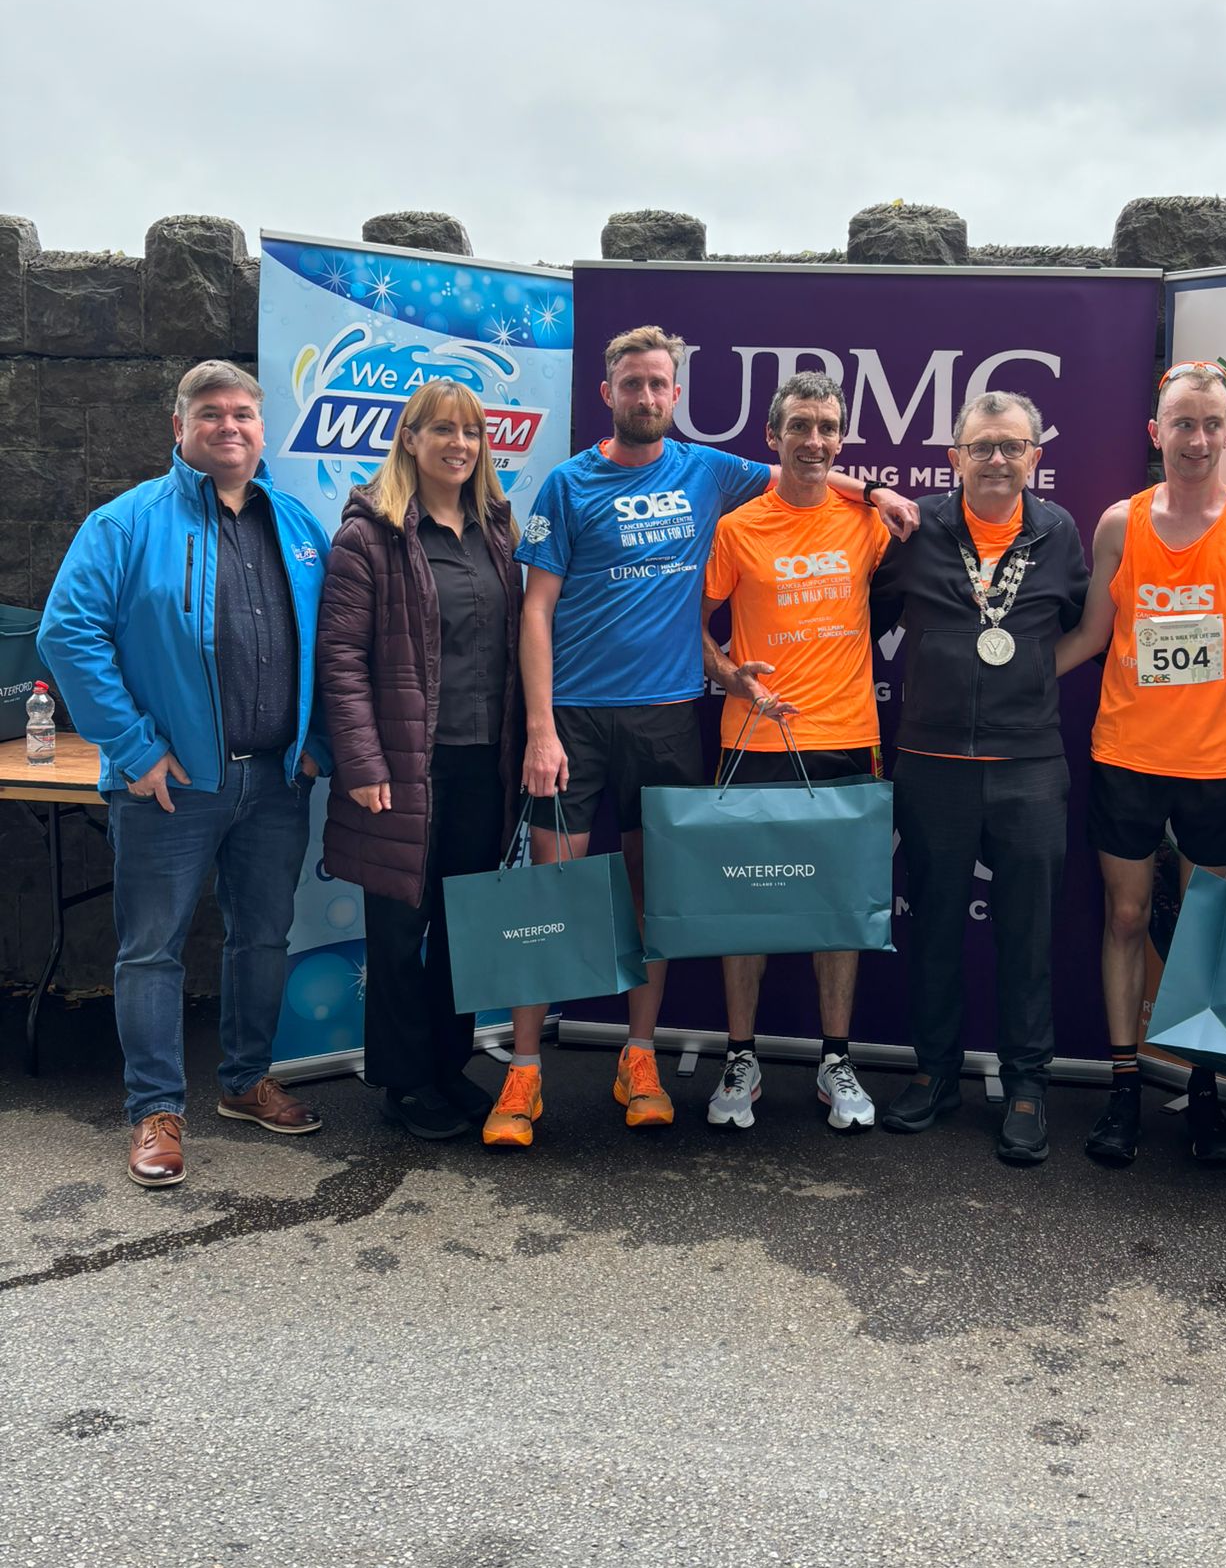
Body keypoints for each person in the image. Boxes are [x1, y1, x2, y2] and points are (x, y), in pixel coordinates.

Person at [499, 326, 916, 1147]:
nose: (646, 396)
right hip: (574, 718)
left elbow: (808, 469)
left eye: (659, 383)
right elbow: (535, 610)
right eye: (632, 383)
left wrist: (877, 492)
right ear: (608, 392)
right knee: (550, 894)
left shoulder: (706, 469)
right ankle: (523, 1069)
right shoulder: (568, 483)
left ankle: (640, 1058)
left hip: (665, 718)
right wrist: (540, 728)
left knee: (656, 896)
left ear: (676, 394)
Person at [38, 360, 330, 1188]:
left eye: (243, 413)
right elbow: (68, 633)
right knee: (151, 952)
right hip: (169, 788)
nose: (228, 426)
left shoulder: (298, 525)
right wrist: (135, 750)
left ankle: (245, 1082)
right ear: (179, 428)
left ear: (262, 430)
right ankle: (155, 1111)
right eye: (210, 413)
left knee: (262, 939)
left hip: (275, 782)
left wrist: (317, 744)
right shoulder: (125, 523)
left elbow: (335, 639)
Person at [1056, 361, 1226, 1169]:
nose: (1196, 439)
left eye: (1210, 424)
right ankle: (1124, 1089)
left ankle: (1204, 1093)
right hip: (1127, 754)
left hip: (1218, 764)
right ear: (1156, 433)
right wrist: (1006, 681)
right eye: (1182, 424)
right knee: (1126, 919)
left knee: (1203, 936)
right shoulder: (1119, 524)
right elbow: (1093, 635)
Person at [871, 391, 1089, 1165]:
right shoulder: (914, 528)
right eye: (982, 446)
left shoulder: (1059, 532)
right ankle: (935, 1075)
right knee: (932, 929)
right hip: (932, 766)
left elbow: (1087, 627)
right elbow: (862, 620)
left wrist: (1032, 678)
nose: (998, 459)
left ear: (1036, 456)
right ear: (954, 458)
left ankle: (1026, 1086)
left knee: (1028, 935)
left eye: (1012, 446)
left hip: (1029, 766)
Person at [317, 380, 523, 1141]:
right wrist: (363, 763)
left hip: (484, 765)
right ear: (409, 439)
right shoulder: (369, 536)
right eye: (441, 430)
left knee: (466, 928)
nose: (459, 445)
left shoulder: (497, 530)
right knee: (401, 932)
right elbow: (340, 658)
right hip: (404, 767)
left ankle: (447, 1066)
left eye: (471, 432)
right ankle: (404, 1084)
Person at [699, 371, 890, 1133]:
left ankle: (835, 1058)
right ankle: (740, 1057)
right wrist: (730, 678)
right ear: (773, 437)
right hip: (757, 738)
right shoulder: (738, 528)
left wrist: (877, 493)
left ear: (842, 437)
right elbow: (688, 624)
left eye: (828, 427)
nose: (815, 440)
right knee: (744, 902)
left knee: (838, 907)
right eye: (800, 427)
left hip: (848, 738)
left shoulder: (870, 522)